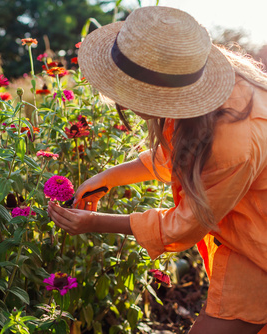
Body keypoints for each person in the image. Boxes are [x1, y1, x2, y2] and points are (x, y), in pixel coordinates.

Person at [47, 6, 267, 334]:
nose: (122, 99)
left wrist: (95, 223)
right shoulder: (198, 87)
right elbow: (179, 156)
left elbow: (185, 225)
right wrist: (108, 177)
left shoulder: (232, 141)